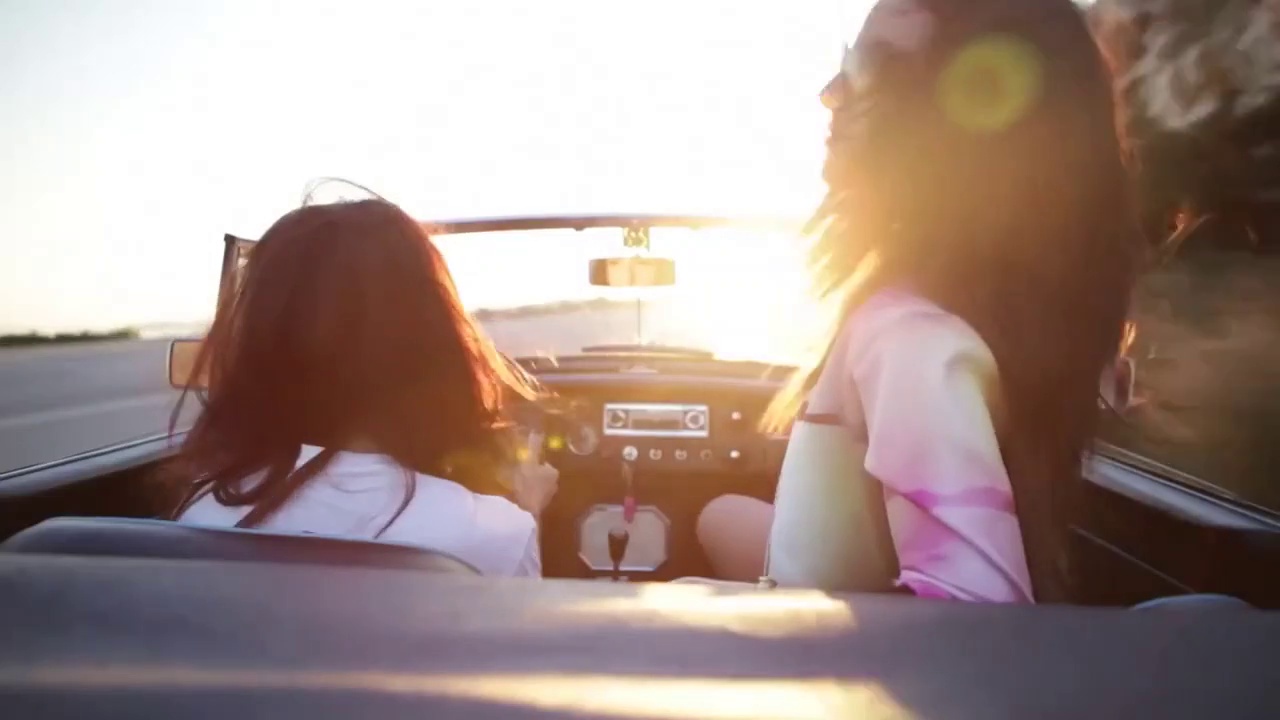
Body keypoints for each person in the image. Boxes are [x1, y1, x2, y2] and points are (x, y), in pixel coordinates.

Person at [696, 0, 1141, 603]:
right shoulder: (961, 315)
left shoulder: (910, 342)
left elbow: (975, 628)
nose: (830, 95)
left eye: (873, 67)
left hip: (832, 655)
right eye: (844, 65)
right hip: (832, 615)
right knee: (717, 516)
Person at [165, 197, 559, 576]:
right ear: (433, 349)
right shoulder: (494, 535)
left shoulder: (200, 519)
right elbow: (516, 622)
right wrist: (530, 509)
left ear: (258, 346)